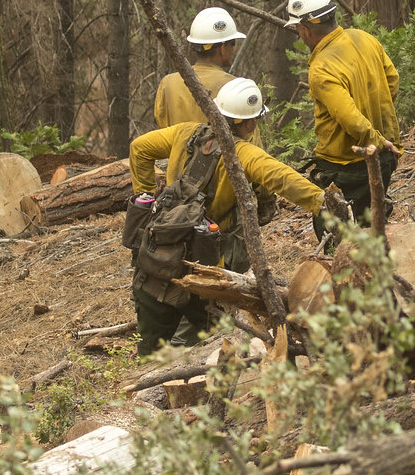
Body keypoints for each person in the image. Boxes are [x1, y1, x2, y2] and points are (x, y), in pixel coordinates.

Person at [126, 77, 329, 354]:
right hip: (205, 262)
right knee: (212, 342)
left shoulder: (186, 133)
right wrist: (322, 201)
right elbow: (283, 179)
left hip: (157, 253)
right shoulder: (244, 153)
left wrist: (147, 194)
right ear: (250, 123)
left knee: (150, 349)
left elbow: (139, 148)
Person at [286, 0, 399, 241]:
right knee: (373, 227)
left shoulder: (321, 67)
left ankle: (343, 276)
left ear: (304, 29)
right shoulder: (364, 37)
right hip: (384, 157)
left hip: (348, 166)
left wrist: (376, 141)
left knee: (335, 236)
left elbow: (350, 119)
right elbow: (392, 80)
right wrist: (379, 131)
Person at [155, 7, 248, 130]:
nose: (234, 49)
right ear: (222, 48)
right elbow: (249, 140)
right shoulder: (236, 88)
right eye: (233, 43)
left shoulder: (168, 83)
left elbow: (161, 130)